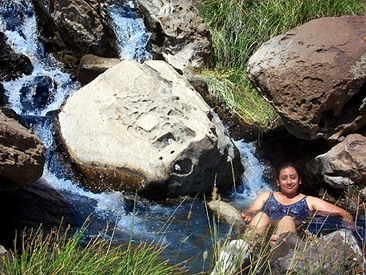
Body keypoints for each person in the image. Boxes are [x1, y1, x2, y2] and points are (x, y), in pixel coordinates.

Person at [241, 162, 353, 246]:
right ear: (278, 182)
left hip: (288, 234)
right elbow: (251, 211)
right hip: (263, 234)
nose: (289, 182)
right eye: (284, 178)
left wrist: (348, 225)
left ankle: (280, 250)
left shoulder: (309, 201)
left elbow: (343, 213)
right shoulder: (266, 196)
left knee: (287, 220)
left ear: (300, 180)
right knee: (260, 216)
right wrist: (248, 214)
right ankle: (246, 249)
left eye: (293, 178)